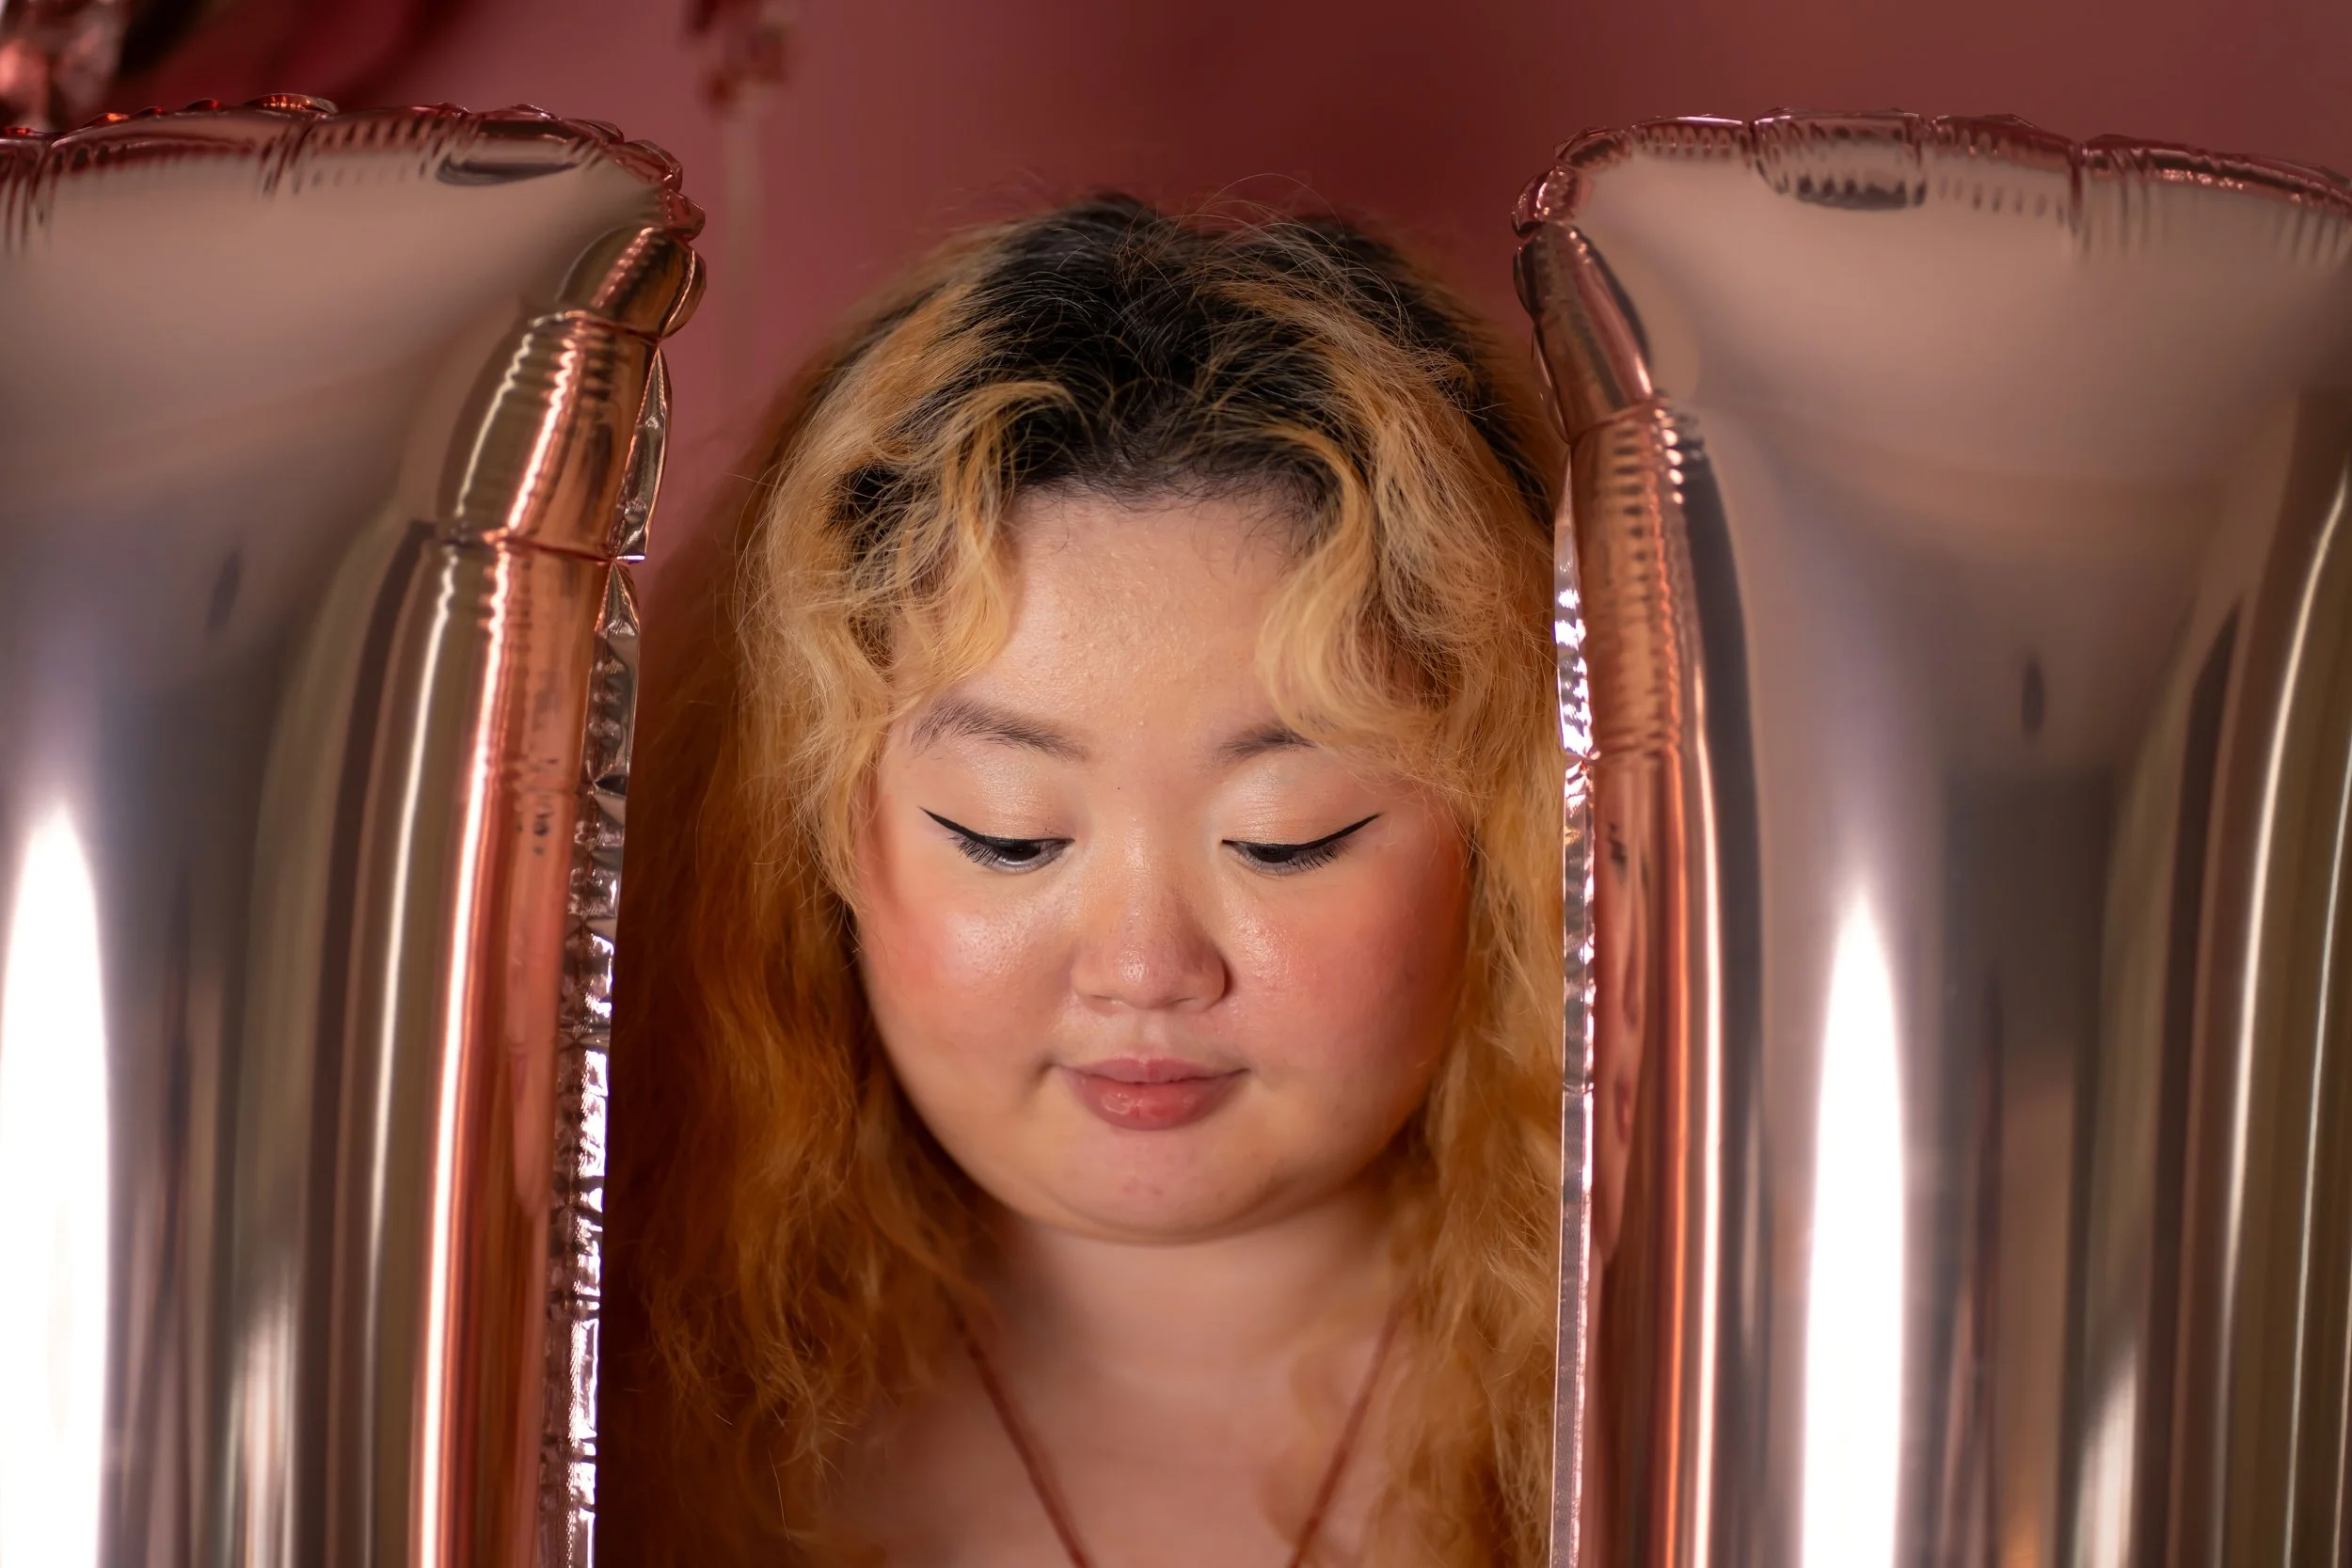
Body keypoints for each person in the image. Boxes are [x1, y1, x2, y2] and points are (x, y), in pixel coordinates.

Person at [598, 195, 1565, 1567]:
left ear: (1513, 843)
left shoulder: (1712, 1391)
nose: (1143, 964)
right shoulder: (584, 1404)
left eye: (1286, 835)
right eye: (1006, 834)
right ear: (807, 836)